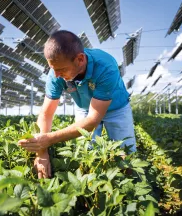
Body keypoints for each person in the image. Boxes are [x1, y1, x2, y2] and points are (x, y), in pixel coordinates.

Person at [18, 30, 136, 178]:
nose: (56, 75)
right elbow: (46, 113)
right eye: (53, 69)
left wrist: (48, 139)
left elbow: (93, 120)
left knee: (127, 154)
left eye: (61, 70)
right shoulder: (56, 73)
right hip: (85, 108)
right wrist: (41, 153)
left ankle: (131, 188)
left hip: (116, 109)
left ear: (80, 59)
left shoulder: (105, 66)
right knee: (85, 153)